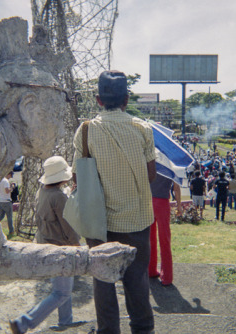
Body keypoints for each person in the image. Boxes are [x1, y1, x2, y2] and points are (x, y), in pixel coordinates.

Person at [71, 70, 156, 334]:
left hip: (100, 224)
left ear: (98, 100)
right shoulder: (143, 129)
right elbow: (151, 174)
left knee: (103, 282)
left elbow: (77, 176)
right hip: (137, 221)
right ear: (126, 99)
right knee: (137, 280)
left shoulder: (85, 130)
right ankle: (143, 329)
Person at [10, 156, 82, 334]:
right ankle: (23, 323)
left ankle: (66, 322)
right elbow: (68, 227)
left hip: (45, 245)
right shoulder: (59, 197)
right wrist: (77, 245)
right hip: (60, 249)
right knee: (62, 293)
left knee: (63, 288)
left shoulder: (43, 191)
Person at [149, 174, 182, 287]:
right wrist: (179, 206)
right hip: (162, 203)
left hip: (149, 202)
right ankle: (167, 277)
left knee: (150, 239)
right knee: (165, 239)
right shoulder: (170, 167)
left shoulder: (150, 163)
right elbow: (176, 188)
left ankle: (151, 270)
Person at [0, 171, 15, 237]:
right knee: (9, 217)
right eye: (11, 176)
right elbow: (7, 191)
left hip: (0, 200)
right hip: (6, 201)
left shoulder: (0, 180)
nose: (10, 177)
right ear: (9, 174)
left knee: (1, 216)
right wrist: (12, 187)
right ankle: (11, 231)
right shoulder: (5, 181)